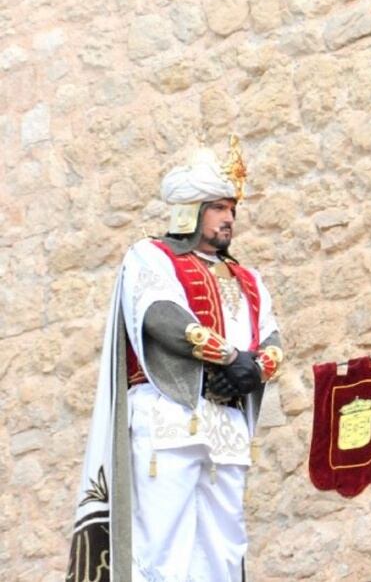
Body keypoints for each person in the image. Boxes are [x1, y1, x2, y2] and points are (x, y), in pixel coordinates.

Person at [66, 139, 284, 582]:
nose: (229, 218)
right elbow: (163, 317)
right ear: (190, 208)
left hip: (225, 426)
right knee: (165, 546)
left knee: (224, 548)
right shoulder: (150, 256)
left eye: (233, 210)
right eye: (219, 207)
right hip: (170, 416)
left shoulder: (248, 277)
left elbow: (272, 338)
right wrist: (231, 360)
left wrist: (252, 370)